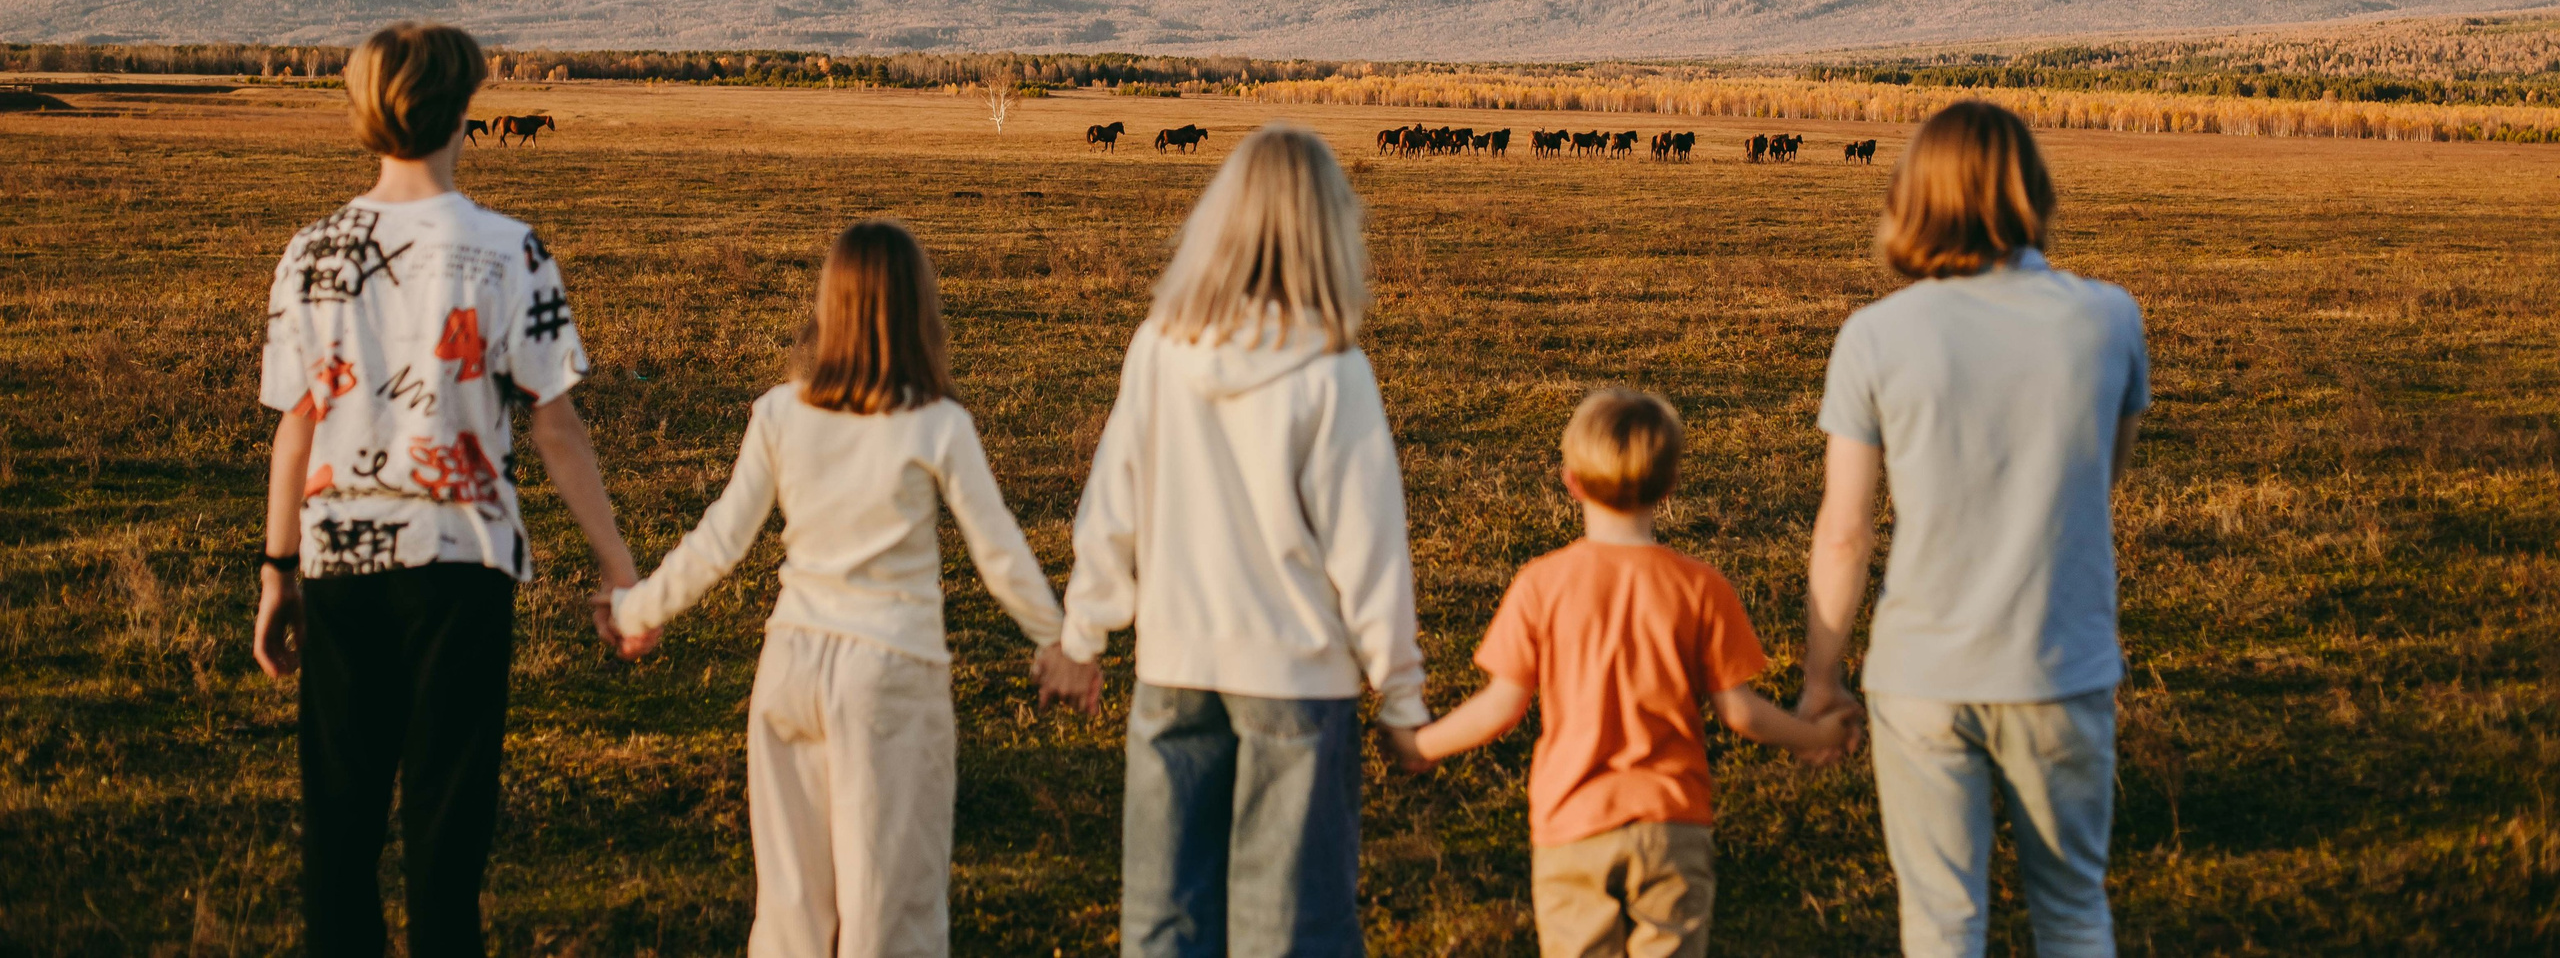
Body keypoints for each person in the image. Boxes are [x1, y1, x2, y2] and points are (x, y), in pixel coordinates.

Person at [252, 21, 650, 958]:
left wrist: (277, 568)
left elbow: (296, 424)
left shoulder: (311, 252)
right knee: (447, 833)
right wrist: (617, 560)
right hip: (463, 564)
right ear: (464, 110)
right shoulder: (510, 250)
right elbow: (555, 425)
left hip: (340, 562)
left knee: (339, 833)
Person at [610, 220, 1064, 958]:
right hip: (890, 673)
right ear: (921, 308)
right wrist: (1059, 640)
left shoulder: (780, 412)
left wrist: (639, 607)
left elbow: (722, 537)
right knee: (893, 920)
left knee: (789, 919)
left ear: (829, 304)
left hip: (788, 668)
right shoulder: (937, 423)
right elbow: (1000, 551)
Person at [1036, 123, 1424, 958]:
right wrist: (1401, 695)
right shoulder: (1334, 370)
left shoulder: (1160, 349)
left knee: (1164, 921)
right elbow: (1370, 551)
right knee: (1294, 929)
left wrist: (1083, 636)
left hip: (1174, 666)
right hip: (1297, 677)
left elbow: (1114, 500)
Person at [1797, 101, 2150, 958]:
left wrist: (1820, 680)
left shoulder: (1876, 335)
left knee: (1944, 923)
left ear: (1914, 194)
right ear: (2032, 188)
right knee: (2072, 906)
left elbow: (1845, 532)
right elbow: (2101, 478)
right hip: (2061, 657)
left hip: (1923, 668)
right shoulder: (2109, 318)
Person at [1412, 387, 1858, 958]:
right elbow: (1742, 712)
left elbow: (1502, 706)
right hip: (1672, 823)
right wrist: (1816, 736)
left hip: (1571, 824)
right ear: (1671, 486)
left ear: (1570, 480)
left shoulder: (1540, 585)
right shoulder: (1701, 587)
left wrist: (1421, 743)